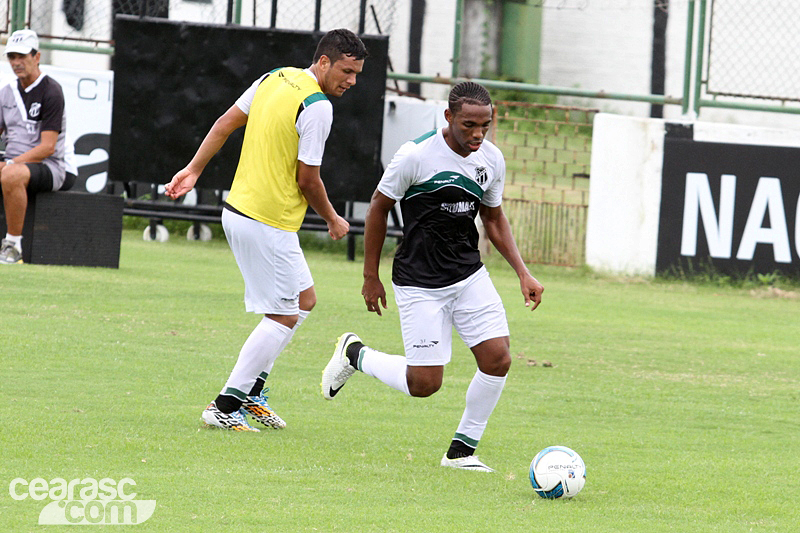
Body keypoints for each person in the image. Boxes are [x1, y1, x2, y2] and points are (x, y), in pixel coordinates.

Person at [322, 82, 544, 471]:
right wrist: (370, 276)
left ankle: (461, 452)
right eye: (469, 125)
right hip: (419, 281)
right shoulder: (416, 156)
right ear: (449, 117)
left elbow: (493, 218)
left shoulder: (491, 159)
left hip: (468, 274)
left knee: (498, 359)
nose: (478, 134)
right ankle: (355, 354)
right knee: (425, 384)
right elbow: (378, 208)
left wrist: (522, 273)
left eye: (485, 125)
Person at [165, 29, 368, 432]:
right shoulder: (317, 106)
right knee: (282, 316)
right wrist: (332, 218)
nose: (352, 81)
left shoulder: (275, 76)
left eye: (357, 74)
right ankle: (225, 405)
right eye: (346, 71)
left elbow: (224, 124)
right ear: (323, 62)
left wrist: (193, 169)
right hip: (265, 220)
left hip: (244, 212)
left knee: (304, 300)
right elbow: (308, 179)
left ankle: (252, 391)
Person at [0, 29, 75, 265]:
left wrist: (9, 163)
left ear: (37, 57)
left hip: (50, 167)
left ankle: (13, 246)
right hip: (14, 163)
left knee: (11, 174)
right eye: (12, 57)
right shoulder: (6, 93)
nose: (16, 62)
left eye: (22, 56)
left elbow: (47, 148)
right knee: (9, 172)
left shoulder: (51, 91)